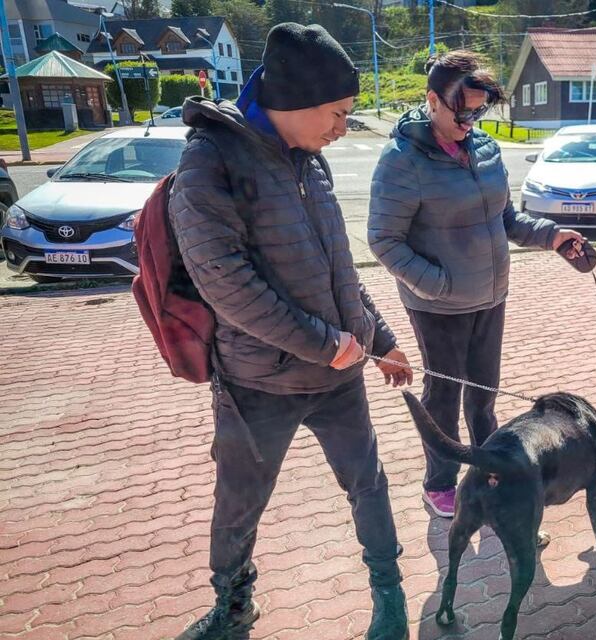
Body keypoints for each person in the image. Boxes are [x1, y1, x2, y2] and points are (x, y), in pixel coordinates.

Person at [168, 23, 412, 640]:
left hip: (340, 377)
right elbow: (227, 284)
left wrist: (381, 341)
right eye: (337, 113)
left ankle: (390, 596)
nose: (342, 129)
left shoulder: (312, 163)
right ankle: (232, 606)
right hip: (258, 383)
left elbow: (340, 276)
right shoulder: (211, 160)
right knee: (239, 503)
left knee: (368, 483)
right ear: (297, 100)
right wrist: (327, 345)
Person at [368, 50, 584, 518]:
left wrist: (552, 236)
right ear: (432, 100)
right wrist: (438, 285)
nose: (470, 120)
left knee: (484, 395)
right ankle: (439, 482)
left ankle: (486, 470)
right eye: (461, 110)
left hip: (491, 296)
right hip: (437, 305)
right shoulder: (402, 160)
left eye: (479, 110)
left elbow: (505, 218)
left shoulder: (485, 149)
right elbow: (383, 240)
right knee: (444, 396)